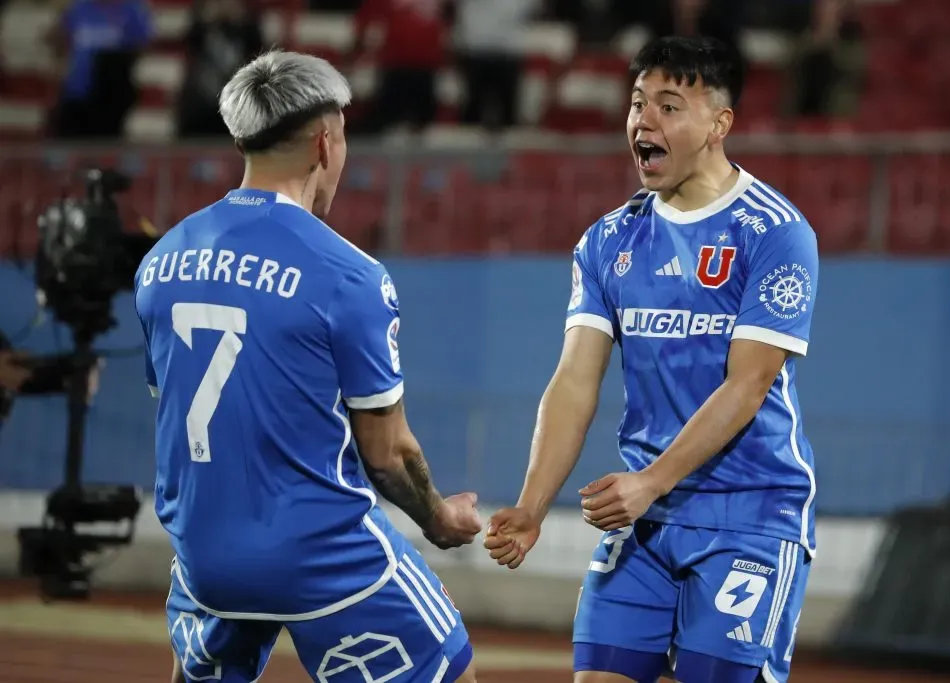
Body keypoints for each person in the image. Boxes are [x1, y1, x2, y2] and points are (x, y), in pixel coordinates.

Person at [134, 51, 481, 683]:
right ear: (325, 142)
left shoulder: (160, 262)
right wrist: (440, 517)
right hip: (322, 557)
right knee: (451, 666)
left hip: (201, 559)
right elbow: (388, 456)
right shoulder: (348, 275)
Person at [484, 36, 819, 683]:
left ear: (720, 123)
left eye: (669, 106)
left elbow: (748, 385)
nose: (644, 121)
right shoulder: (608, 239)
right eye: (638, 103)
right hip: (647, 518)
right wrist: (531, 505)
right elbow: (575, 380)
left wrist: (651, 480)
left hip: (751, 512)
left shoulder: (776, 232)